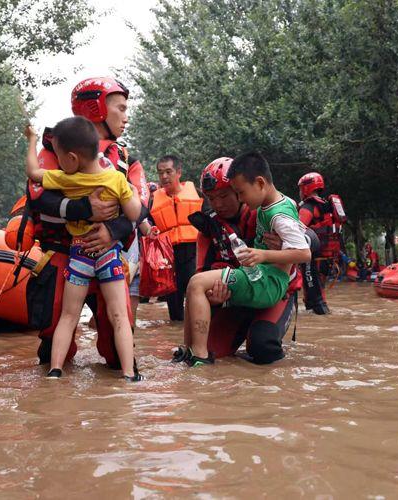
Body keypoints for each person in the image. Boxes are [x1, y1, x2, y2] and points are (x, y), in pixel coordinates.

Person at [24, 117, 142, 381]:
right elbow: (135, 213)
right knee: (120, 316)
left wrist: (31, 140)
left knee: (68, 316)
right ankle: (129, 374)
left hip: (78, 254)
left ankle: (55, 371)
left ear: (71, 158)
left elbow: (33, 173)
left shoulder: (67, 179)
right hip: (108, 255)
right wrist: (132, 193)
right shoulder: (116, 178)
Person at [178, 152, 311, 366]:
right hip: (237, 295)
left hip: (276, 292)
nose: (218, 204)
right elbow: (200, 280)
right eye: (211, 198)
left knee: (262, 347)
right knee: (212, 351)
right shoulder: (208, 230)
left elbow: (309, 241)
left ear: (238, 190)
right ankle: (194, 354)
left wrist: (283, 245)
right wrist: (213, 297)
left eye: (224, 196)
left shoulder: (264, 209)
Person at [71, 77, 151, 324]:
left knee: (117, 338)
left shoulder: (128, 160)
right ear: (95, 109)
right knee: (55, 333)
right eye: (121, 109)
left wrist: (113, 230)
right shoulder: (58, 150)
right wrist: (83, 208)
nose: (126, 118)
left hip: (113, 254)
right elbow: (38, 199)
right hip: (68, 253)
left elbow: (142, 207)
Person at [149, 155, 203, 321]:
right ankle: (176, 332)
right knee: (174, 310)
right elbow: (146, 222)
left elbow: (210, 219)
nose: (164, 176)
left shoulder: (196, 194)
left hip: (192, 252)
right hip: (167, 256)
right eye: (160, 173)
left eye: (168, 172)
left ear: (179, 172)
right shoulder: (154, 199)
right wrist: (150, 230)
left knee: (196, 295)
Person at [297, 172, 346, 315]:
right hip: (328, 258)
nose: (300, 192)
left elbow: (297, 230)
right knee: (317, 290)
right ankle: (321, 315)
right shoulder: (328, 206)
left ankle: (323, 315)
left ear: (306, 188)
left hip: (314, 257)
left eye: (300, 189)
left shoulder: (308, 207)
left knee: (316, 297)